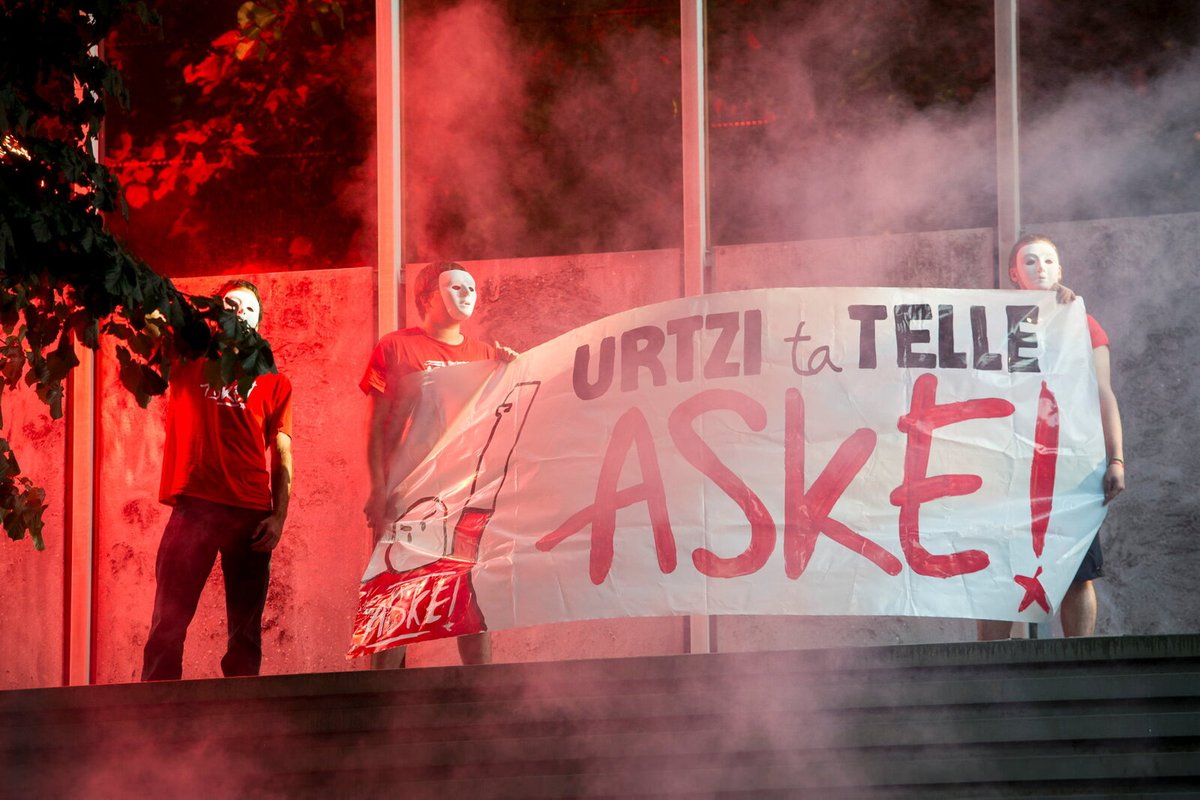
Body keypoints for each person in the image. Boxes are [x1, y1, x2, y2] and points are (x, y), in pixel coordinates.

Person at [361, 261, 513, 668]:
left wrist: (514, 368)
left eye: (471, 288)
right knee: (395, 590)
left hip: (465, 490)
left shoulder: (487, 355)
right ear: (428, 296)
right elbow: (378, 427)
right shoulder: (395, 348)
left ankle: (480, 698)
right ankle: (381, 701)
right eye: (455, 287)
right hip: (408, 489)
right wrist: (379, 489)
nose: (467, 295)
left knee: (470, 592)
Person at [141, 280, 294, 680]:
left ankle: (241, 721)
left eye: (249, 309)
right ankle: (154, 718)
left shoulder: (275, 382)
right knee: (168, 621)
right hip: (195, 505)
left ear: (260, 325)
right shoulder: (190, 356)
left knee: (246, 632)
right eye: (231, 305)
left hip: (251, 513)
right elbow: (152, 318)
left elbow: (282, 454)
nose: (240, 313)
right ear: (217, 313)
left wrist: (278, 518)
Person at [977, 234, 1125, 640]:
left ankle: (1081, 663)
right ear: (1014, 274)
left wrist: (1117, 459)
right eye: (1029, 261)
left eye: (1048, 261)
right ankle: (987, 677)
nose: (1039, 267)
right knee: (1001, 573)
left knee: (1078, 569)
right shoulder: (993, 322)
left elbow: (1102, 393)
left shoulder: (1082, 321)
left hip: (1069, 464)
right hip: (1008, 464)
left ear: (1060, 271)